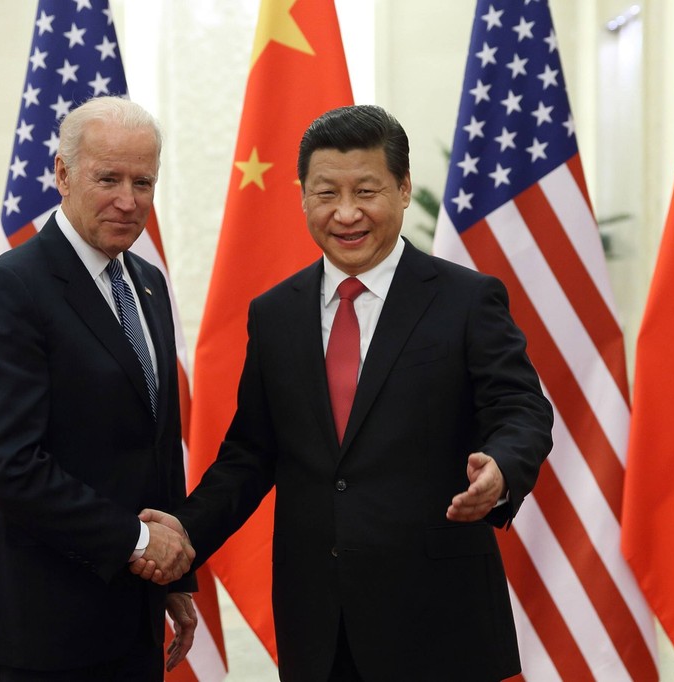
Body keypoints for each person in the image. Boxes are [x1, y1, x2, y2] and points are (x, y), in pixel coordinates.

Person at [135, 104, 554, 681]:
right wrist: (183, 533)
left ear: (404, 189)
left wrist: (503, 468)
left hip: (440, 622)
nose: (347, 213)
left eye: (367, 190)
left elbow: (522, 409)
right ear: (303, 195)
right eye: (326, 192)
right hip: (320, 627)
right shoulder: (276, 313)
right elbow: (251, 453)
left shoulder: (466, 299)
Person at [0, 96, 197, 681]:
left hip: (134, 617)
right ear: (62, 175)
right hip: (47, 633)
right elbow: (5, 464)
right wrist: (137, 542)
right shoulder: (13, 288)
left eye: (143, 181)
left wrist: (172, 578)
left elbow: (155, 442)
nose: (128, 200)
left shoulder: (145, 283)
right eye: (108, 178)